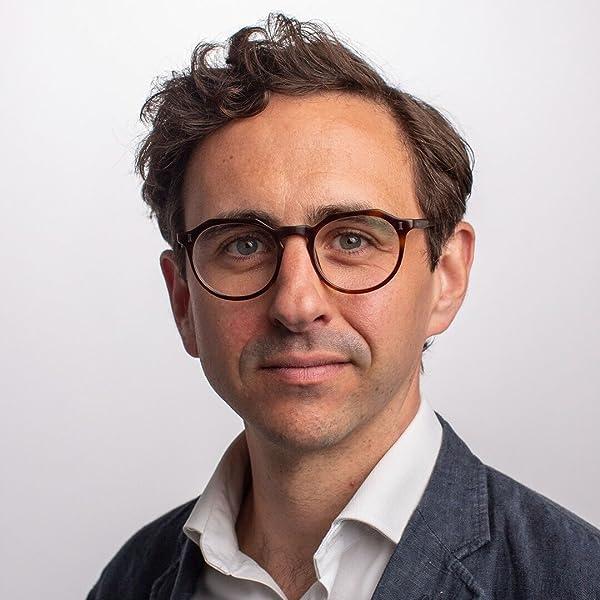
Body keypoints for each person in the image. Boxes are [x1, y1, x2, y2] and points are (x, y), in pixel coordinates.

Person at [86, 12, 600, 600]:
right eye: (244, 245)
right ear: (183, 300)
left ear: (447, 277)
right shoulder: (132, 579)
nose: (296, 304)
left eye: (352, 239)